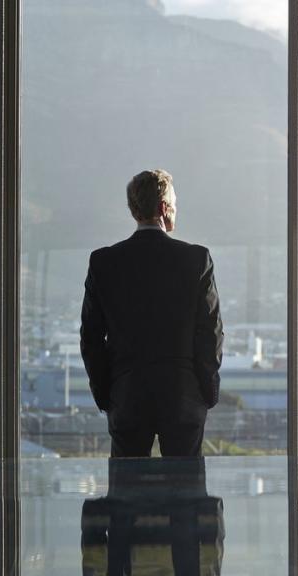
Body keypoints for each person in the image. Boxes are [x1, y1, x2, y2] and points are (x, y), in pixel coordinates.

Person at [79, 169, 224, 457]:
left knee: (126, 495)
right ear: (163, 208)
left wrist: (107, 395)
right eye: (174, 203)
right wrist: (207, 393)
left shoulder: (104, 262)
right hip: (183, 395)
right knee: (187, 493)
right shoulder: (196, 260)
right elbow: (210, 333)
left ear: (134, 209)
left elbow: (91, 338)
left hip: (127, 395)